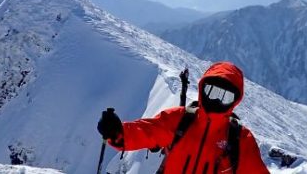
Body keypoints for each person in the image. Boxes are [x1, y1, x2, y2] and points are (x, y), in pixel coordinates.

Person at [97, 61, 269, 173]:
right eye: (212, 91)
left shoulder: (240, 140)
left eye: (225, 96)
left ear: (235, 100)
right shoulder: (180, 120)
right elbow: (147, 131)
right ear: (203, 89)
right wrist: (117, 132)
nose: (216, 99)